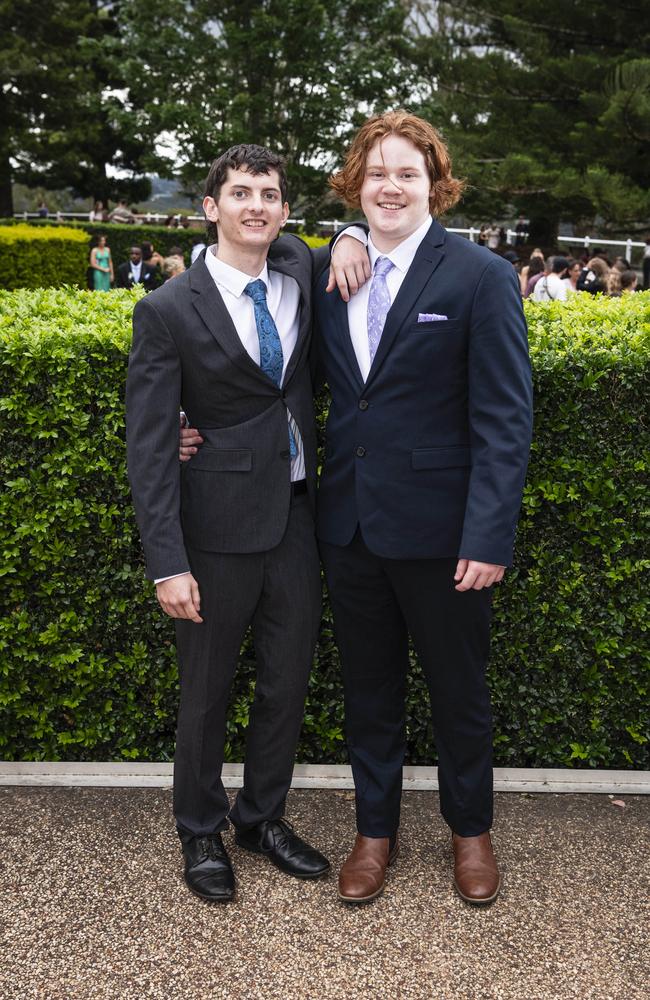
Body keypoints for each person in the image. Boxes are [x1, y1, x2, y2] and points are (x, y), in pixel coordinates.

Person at [126, 144, 359, 904]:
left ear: (284, 210)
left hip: (296, 518)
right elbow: (152, 444)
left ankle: (260, 820)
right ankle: (199, 828)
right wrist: (167, 562)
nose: (255, 205)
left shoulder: (296, 269)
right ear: (210, 207)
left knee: (287, 683)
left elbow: (333, 248)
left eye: (268, 193)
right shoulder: (166, 308)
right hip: (213, 529)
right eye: (239, 193)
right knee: (206, 690)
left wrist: (352, 234)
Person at [312, 111, 532, 906]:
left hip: (446, 533)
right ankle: (375, 834)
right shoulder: (328, 269)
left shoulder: (478, 275)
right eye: (376, 174)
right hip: (350, 528)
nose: (391, 186)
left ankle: (470, 833)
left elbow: (506, 418)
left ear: (434, 182)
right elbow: (247, 247)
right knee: (368, 690)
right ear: (355, 185)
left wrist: (489, 532)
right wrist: (342, 237)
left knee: (457, 690)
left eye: (406, 172)